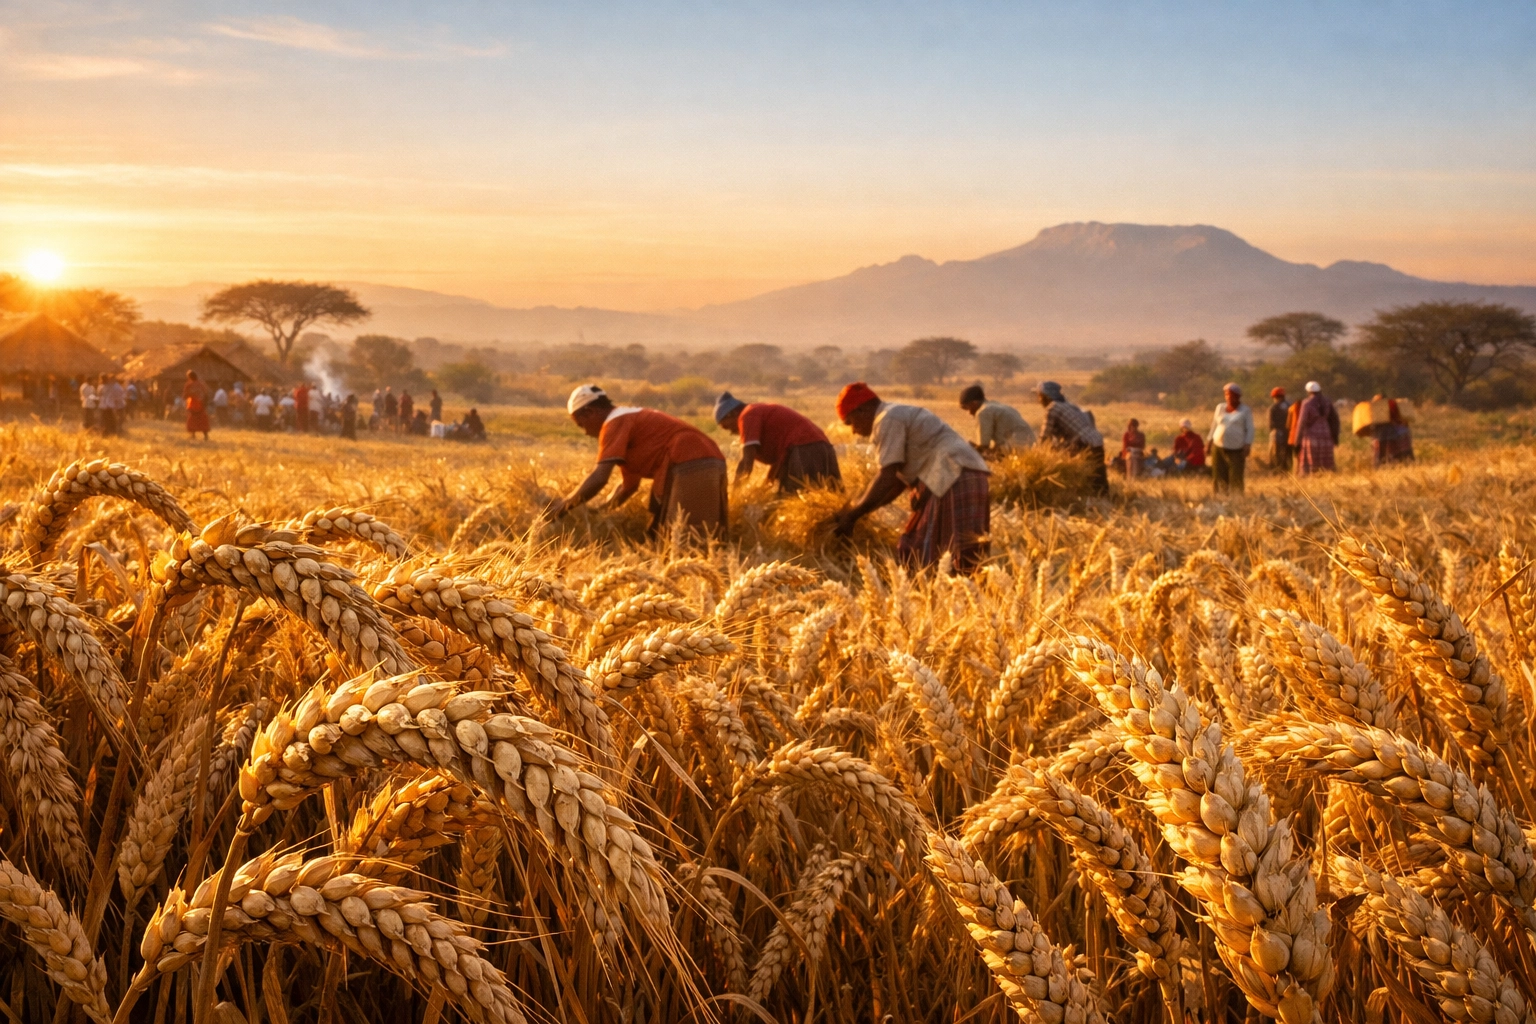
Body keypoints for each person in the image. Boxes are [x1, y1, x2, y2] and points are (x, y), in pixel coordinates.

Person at [827, 382, 991, 573]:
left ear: (861, 410)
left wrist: (853, 513)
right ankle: (963, 596)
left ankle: (948, 595)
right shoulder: (896, 413)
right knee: (963, 550)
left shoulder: (887, 419)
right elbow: (896, 483)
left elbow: (887, 475)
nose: (853, 431)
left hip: (951, 476)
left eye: (850, 422)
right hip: (969, 475)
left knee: (932, 552)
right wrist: (862, 511)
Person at [549, 384, 728, 539]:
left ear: (590, 412)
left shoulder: (615, 422)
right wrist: (600, 513)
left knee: (686, 538)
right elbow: (627, 487)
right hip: (704, 459)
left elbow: (600, 477)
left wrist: (563, 507)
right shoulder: (629, 423)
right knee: (667, 534)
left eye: (581, 424)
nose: (585, 432)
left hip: (690, 460)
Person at [713, 391, 840, 495]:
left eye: (727, 427)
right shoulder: (758, 411)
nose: (731, 432)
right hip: (822, 447)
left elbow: (746, 462)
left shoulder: (748, 415)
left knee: (794, 499)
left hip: (804, 450)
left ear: (733, 413)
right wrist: (765, 487)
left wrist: (735, 493)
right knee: (833, 496)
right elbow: (781, 457)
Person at [1036, 381, 1109, 495]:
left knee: (1081, 474)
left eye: (1039, 396)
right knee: (1098, 477)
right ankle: (1104, 499)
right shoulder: (1069, 406)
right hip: (1096, 440)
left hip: (1083, 443)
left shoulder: (1052, 408)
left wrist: (1038, 458)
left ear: (1045, 396)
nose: (1038, 400)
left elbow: (1044, 438)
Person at [1206, 382, 1255, 494]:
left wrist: (1247, 444)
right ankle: (1220, 496)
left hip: (1236, 449)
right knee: (1218, 474)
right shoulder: (1220, 407)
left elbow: (1250, 429)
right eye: (1226, 394)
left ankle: (1236, 497)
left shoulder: (1245, 410)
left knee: (1235, 475)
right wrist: (1209, 442)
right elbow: (1214, 426)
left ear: (1237, 396)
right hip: (1218, 447)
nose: (1228, 397)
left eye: (1231, 395)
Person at [959, 384, 1036, 453]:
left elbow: (983, 446)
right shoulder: (996, 405)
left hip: (1017, 448)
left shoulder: (983, 412)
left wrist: (967, 447)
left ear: (974, 403)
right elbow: (1000, 442)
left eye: (967, 408)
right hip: (1030, 446)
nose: (969, 413)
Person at [1292, 380, 1339, 475]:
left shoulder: (1307, 403)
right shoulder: (1327, 402)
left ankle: (1311, 473)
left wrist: (1297, 441)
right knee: (1325, 455)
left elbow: (1302, 422)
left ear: (1308, 391)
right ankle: (1327, 473)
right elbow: (1335, 419)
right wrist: (1335, 435)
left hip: (1311, 433)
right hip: (1326, 432)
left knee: (1311, 456)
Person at [1370, 395, 1415, 467]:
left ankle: (1379, 466)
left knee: (1381, 454)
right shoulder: (1392, 404)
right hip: (1395, 432)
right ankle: (1407, 463)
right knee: (1403, 453)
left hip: (1387, 432)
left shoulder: (1386, 406)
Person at [1267, 387, 1292, 472]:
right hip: (1289, 433)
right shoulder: (1290, 406)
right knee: (1288, 452)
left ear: (1274, 397)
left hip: (1277, 433)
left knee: (1275, 453)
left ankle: (1276, 469)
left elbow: (1271, 424)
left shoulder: (1273, 407)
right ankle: (1287, 468)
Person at [183, 371, 211, 441]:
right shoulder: (202, 384)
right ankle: (205, 436)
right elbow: (206, 394)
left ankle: (193, 435)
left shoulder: (189, 385)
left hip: (192, 405)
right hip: (201, 405)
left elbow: (185, 395)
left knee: (192, 420)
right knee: (203, 420)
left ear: (189, 377)